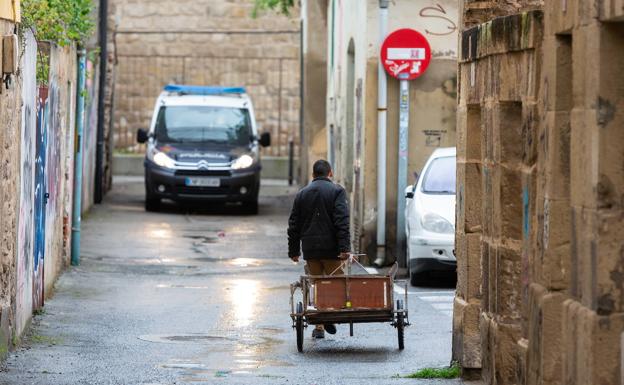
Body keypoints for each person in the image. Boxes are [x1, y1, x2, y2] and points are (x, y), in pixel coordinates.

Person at [287, 159, 350, 339]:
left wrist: (294, 251)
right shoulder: (337, 191)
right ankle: (330, 315)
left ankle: (319, 326)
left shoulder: (302, 194)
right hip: (333, 251)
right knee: (335, 284)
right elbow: (342, 221)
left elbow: (294, 225)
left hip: (311, 250)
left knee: (315, 284)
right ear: (330, 173)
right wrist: (344, 247)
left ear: (313, 175)